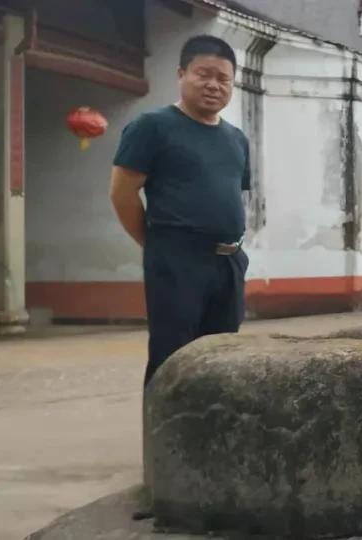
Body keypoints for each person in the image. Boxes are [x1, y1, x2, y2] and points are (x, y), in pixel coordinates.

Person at [109, 35, 252, 386]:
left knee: (222, 357)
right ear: (181, 74)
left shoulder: (237, 139)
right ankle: (162, 439)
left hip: (228, 261)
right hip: (177, 259)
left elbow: (234, 194)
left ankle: (212, 437)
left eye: (224, 79)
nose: (214, 85)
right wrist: (157, 244)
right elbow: (122, 193)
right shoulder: (153, 127)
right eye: (204, 74)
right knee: (173, 359)